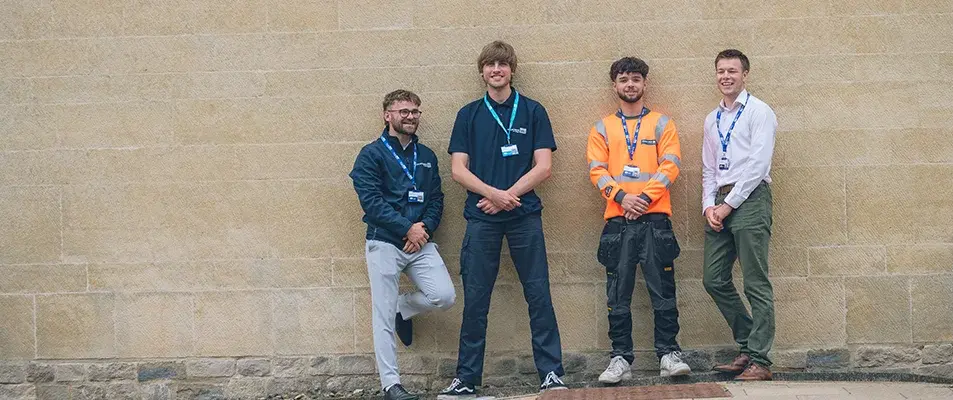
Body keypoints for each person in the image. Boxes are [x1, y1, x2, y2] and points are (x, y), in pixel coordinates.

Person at [438, 41, 566, 398]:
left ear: (512, 70)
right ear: (482, 71)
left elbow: (544, 166)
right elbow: (458, 170)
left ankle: (551, 373)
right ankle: (466, 379)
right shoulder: (468, 115)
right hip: (482, 217)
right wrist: (494, 195)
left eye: (503, 64)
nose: (497, 70)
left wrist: (508, 196)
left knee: (538, 293)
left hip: (524, 217)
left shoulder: (533, 111)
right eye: (490, 64)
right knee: (477, 298)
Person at [586, 57, 691, 383]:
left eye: (635, 79)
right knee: (617, 295)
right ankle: (620, 359)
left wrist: (643, 199)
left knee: (663, 291)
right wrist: (622, 198)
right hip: (618, 222)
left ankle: (669, 355)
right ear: (614, 85)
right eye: (623, 79)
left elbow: (670, 164)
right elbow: (596, 170)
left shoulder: (662, 123)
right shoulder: (602, 128)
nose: (629, 85)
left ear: (644, 84)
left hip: (655, 220)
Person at [349, 90, 456, 400]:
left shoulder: (426, 157)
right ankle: (391, 384)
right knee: (381, 316)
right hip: (384, 242)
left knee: (444, 296)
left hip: (419, 241)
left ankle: (403, 307)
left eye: (415, 111)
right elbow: (371, 203)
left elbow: (436, 199)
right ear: (388, 115)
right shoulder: (371, 154)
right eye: (404, 111)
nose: (411, 116)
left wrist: (424, 228)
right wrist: (406, 228)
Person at [701, 49, 779, 381]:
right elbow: (707, 168)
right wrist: (708, 205)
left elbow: (757, 165)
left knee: (755, 281)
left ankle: (760, 359)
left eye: (732, 70)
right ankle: (748, 345)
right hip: (720, 201)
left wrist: (728, 204)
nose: (726, 76)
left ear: (745, 74)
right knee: (713, 278)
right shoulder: (712, 118)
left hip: (749, 199)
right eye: (721, 71)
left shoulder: (760, 112)